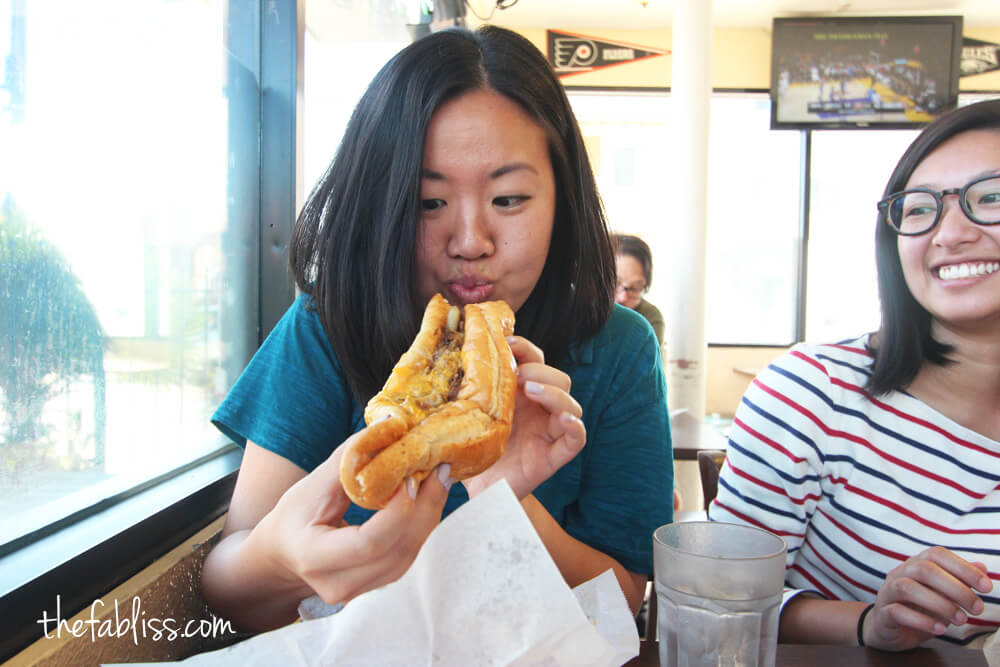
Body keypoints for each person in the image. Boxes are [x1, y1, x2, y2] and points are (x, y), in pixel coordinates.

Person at [201, 25, 673, 633]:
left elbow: (626, 598)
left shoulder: (618, 348)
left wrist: (506, 498)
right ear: (380, 206)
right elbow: (226, 590)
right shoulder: (328, 328)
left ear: (564, 198)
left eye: (509, 199)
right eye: (429, 203)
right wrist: (285, 558)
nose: (471, 242)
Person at [709, 99, 1000, 651]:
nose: (950, 233)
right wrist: (872, 622)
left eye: (992, 198)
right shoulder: (812, 392)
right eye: (919, 209)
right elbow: (721, 599)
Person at [614, 234, 665, 347]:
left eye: (635, 287)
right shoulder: (578, 311)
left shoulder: (649, 317)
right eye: (616, 284)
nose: (623, 298)